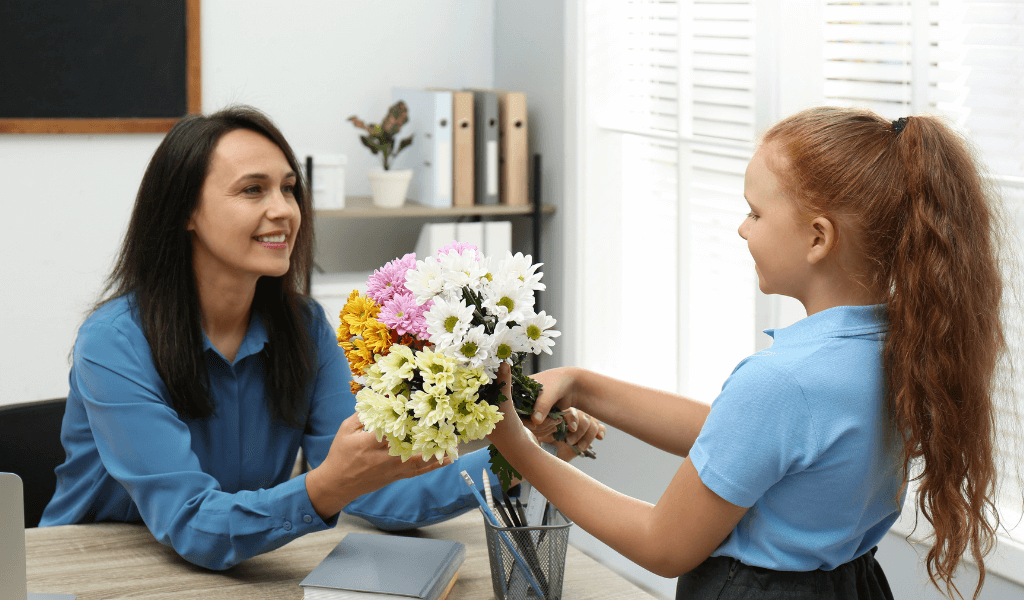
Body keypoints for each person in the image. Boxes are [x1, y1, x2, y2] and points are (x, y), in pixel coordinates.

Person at [39, 106, 603, 570]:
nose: (283, 211)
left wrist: (520, 453)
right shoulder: (115, 342)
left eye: (289, 189)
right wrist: (321, 488)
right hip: (87, 568)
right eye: (252, 190)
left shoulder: (303, 328)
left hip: (228, 571)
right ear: (184, 211)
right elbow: (192, 522)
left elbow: (375, 490)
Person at [488, 106, 1007, 600]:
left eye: (755, 213)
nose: (742, 228)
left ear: (818, 237)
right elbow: (748, 439)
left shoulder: (787, 382)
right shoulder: (904, 346)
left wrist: (518, 448)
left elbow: (662, 545)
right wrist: (584, 385)